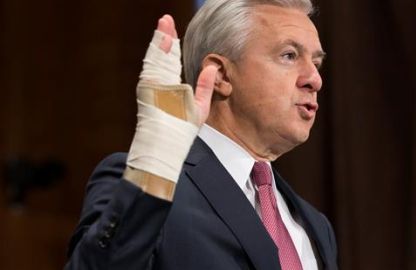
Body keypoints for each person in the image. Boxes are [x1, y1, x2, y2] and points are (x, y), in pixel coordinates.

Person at [65, 0, 338, 269]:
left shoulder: (316, 226)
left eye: (316, 63)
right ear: (221, 75)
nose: (315, 79)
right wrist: (153, 170)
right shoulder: (147, 185)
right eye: (289, 55)